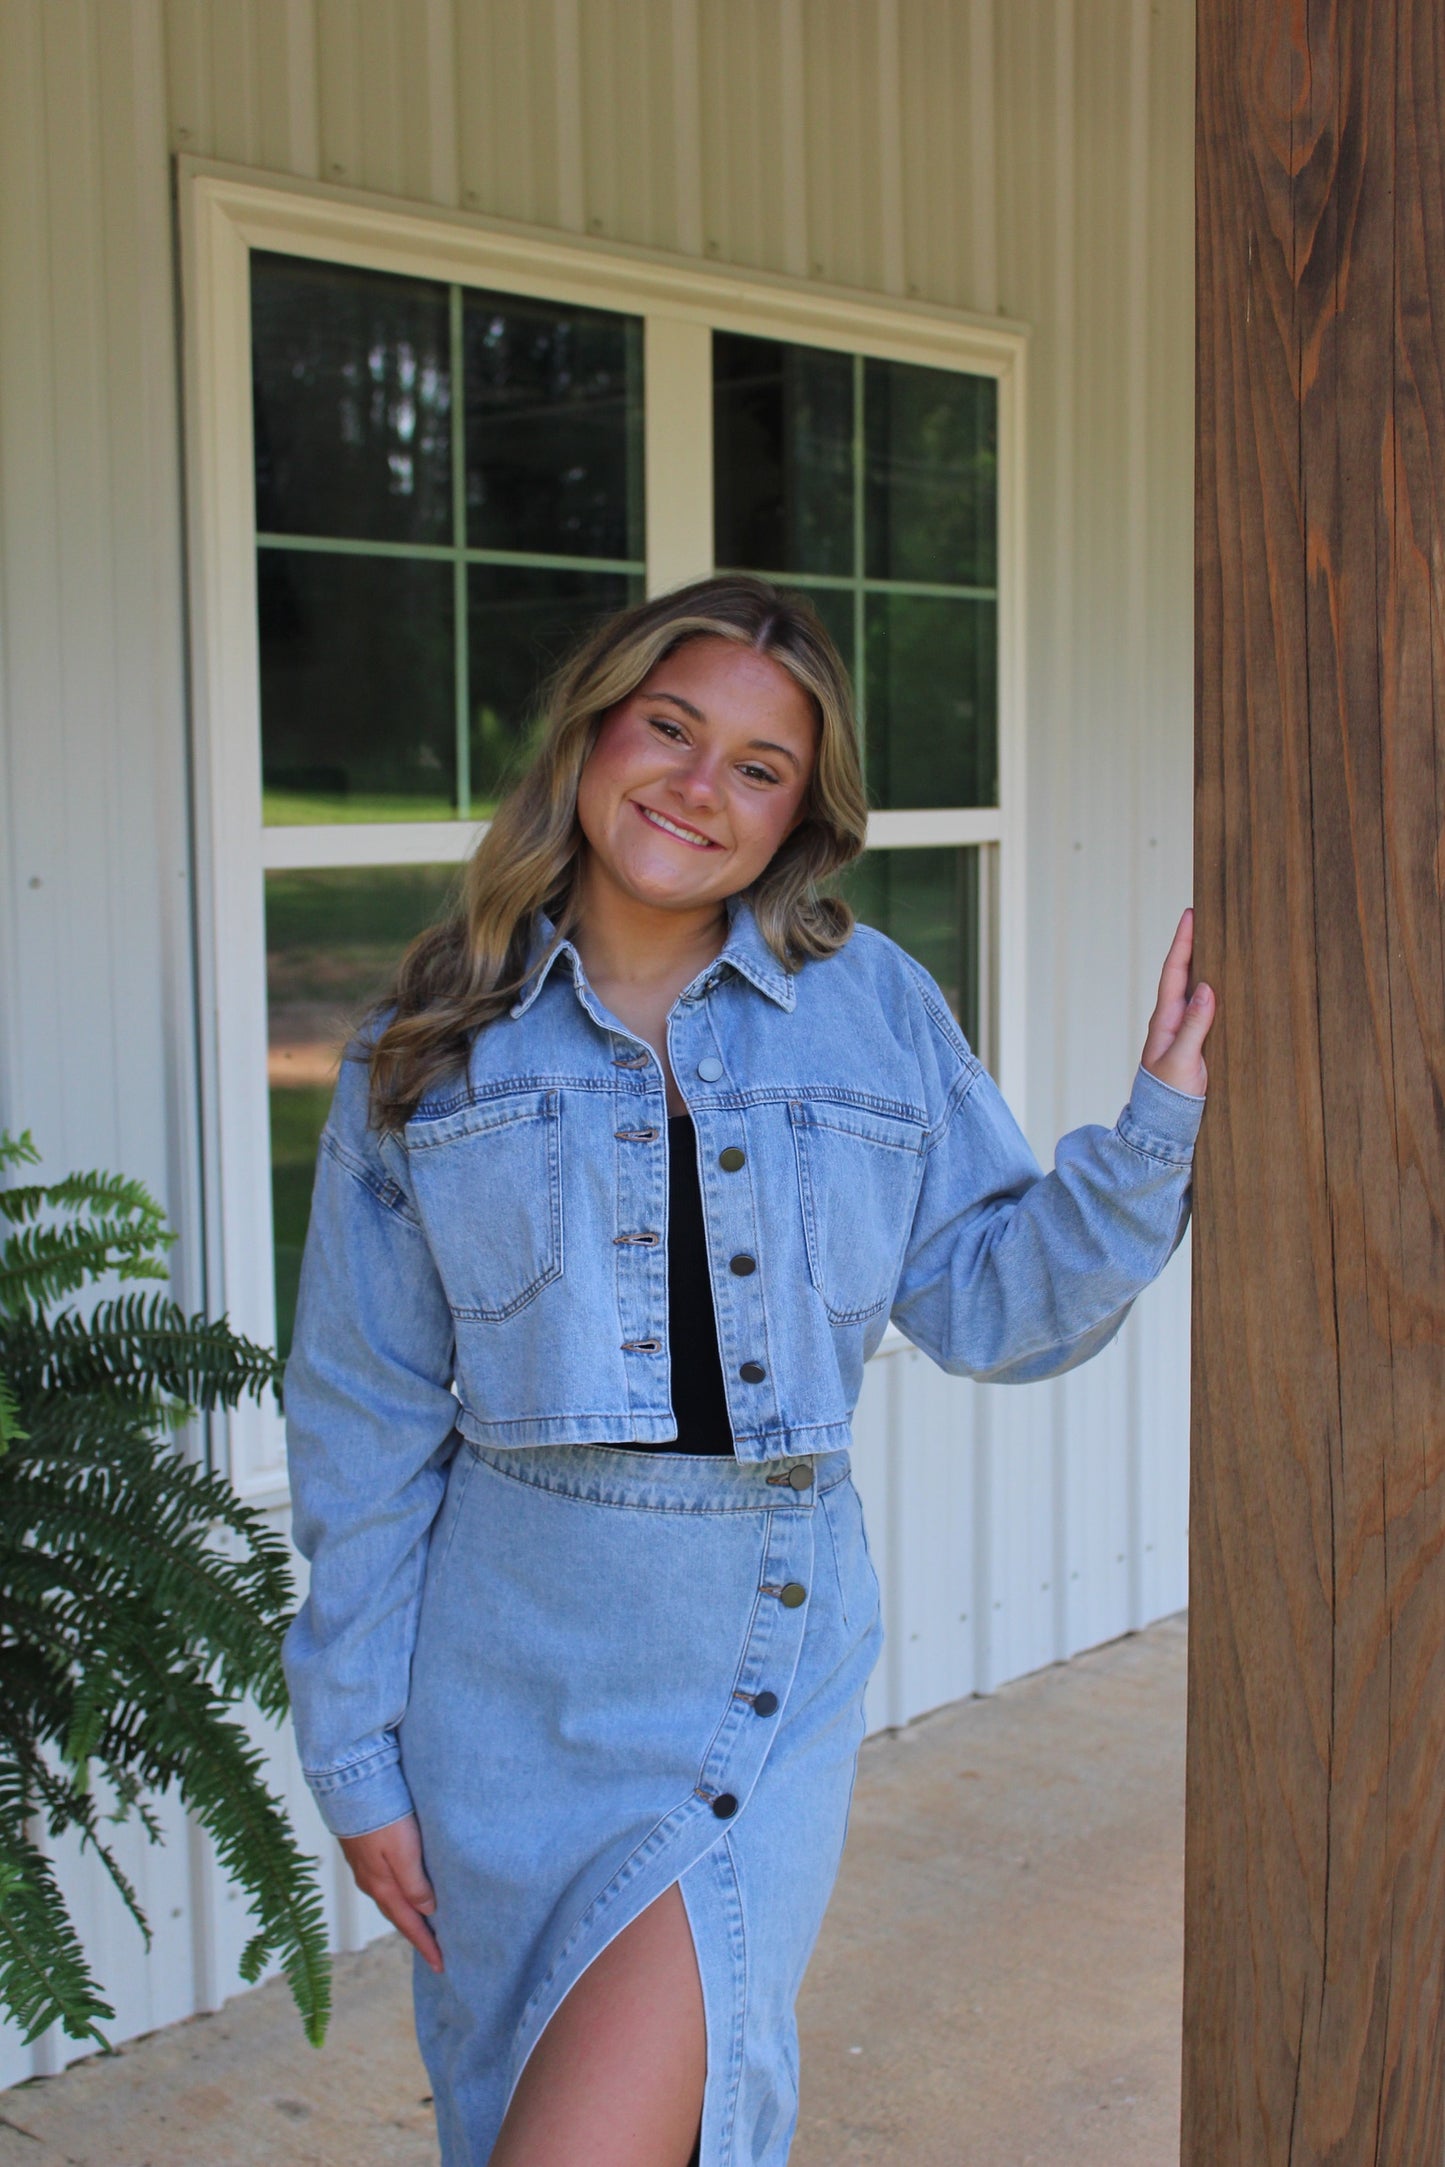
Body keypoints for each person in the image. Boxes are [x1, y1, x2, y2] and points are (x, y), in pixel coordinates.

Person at [282, 575, 1214, 2167]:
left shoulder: (869, 1011)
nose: (698, 789)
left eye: (760, 767)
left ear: (801, 817)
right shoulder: (428, 1041)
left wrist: (1150, 1137)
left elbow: (989, 1307)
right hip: (503, 1690)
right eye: (669, 729)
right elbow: (361, 1421)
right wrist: (358, 1751)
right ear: (592, 732)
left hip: (754, 1658)